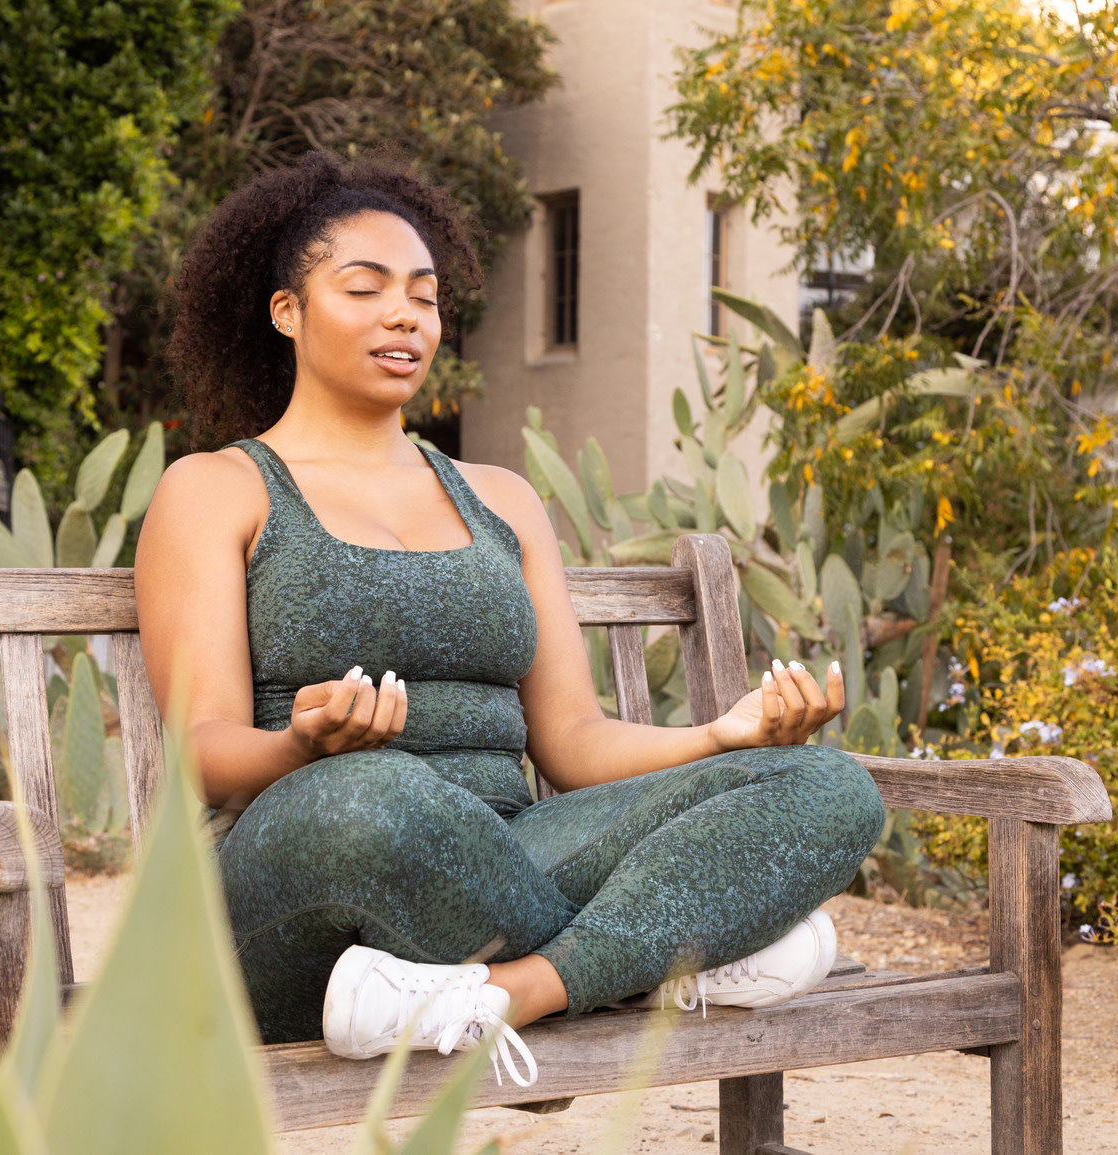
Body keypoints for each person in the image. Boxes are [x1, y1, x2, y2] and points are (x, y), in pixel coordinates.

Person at [135, 153, 885, 1088]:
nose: (405, 314)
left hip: (506, 858)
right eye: (364, 289)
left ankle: (512, 993)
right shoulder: (217, 489)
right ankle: (654, 957)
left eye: (425, 295)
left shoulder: (501, 499)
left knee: (830, 787)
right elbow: (200, 747)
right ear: (287, 310)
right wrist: (302, 746)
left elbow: (570, 743)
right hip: (302, 877)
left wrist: (720, 735)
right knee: (379, 796)